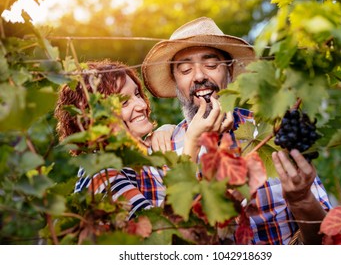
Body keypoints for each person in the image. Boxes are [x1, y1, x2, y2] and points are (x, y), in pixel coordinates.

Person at [141, 17, 332, 244]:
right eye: (185, 69)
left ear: (230, 71)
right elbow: (163, 245)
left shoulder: (274, 132)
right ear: (175, 80)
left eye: (211, 65)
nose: (200, 76)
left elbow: (327, 241)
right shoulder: (162, 150)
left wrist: (301, 200)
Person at [54, 59, 225, 220]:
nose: (142, 105)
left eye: (137, 94)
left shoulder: (134, 158)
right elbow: (160, 234)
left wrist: (169, 129)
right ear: (93, 117)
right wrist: (191, 143)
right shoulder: (101, 172)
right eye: (124, 103)